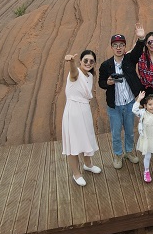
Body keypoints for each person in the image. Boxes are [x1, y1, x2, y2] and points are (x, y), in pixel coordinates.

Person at [98, 23, 146, 169]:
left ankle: (129, 152)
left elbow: (138, 50)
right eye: (115, 45)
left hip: (130, 103)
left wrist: (141, 38)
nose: (118, 48)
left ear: (125, 47)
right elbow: (101, 82)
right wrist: (107, 82)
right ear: (111, 47)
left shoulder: (129, 59)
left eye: (121, 45)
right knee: (116, 133)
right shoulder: (106, 65)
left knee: (130, 132)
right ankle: (118, 155)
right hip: (114, 106)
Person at [61, 50, 102, 186]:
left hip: (85, 111)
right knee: (73, 143)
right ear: (80, 61)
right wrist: (71, 62)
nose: (88, 63)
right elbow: (73, 72)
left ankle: (88, 165)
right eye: (85, 60)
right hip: (73, 112)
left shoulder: (89, 76)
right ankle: (76, 174)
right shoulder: (75, 73)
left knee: (87, 138)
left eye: (91, 61)